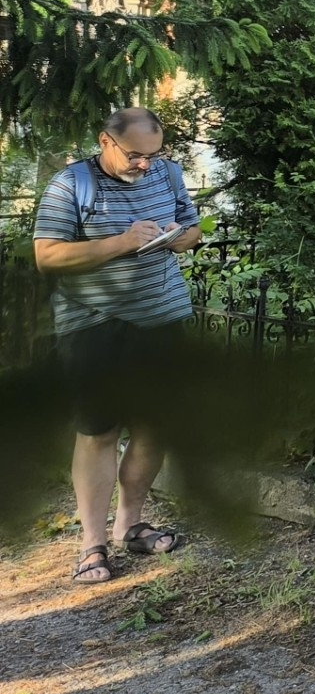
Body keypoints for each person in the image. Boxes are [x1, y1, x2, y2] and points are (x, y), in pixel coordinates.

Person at [33, 106, 201, 585]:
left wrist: (178, 239)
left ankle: (130, 525)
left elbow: (192, 228)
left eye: (153, 155)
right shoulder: (70, 185)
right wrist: (121, 243)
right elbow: (47, 256)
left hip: (163, 318)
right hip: (94, 326)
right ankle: (92, 544)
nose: (145, 164)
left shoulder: (167, 173)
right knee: (99, 431)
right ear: (105, 141)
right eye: (134, 155)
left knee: (154, 426)